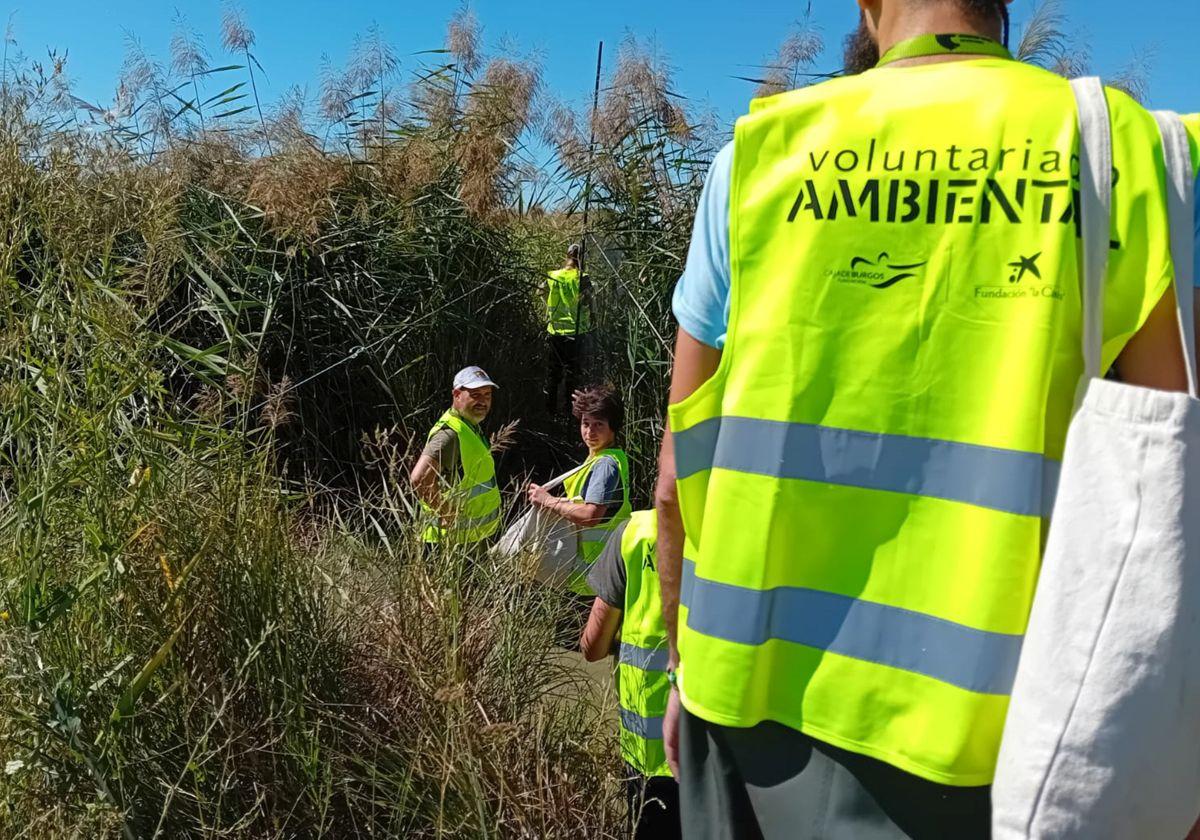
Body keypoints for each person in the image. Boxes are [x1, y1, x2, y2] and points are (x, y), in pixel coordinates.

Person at [653, 1, 1192, 837]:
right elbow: (1178, 493)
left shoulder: (756, 160)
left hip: (747, 713)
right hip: (1011, 735)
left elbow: (674, 477)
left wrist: (682, 666)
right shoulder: (1134, 156)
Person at [580, 509, 680, 840]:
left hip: (649, 748)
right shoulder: (745, 532)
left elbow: (592, 646)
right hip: (727, 749)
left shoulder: (637, 531)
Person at [528, 384, 632, 597]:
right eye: (586, 423)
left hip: (592, 575)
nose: (590, 432)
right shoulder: (604, 457)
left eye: (598, 425)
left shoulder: (605, 464)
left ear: (613, 427)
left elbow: (590, 515)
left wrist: (548, 501)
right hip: (596, 572)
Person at [410, 366, 502, 546]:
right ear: (457, 394)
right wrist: (446, 513)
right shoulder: (450, 434)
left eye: (487, 395)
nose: (483, 401)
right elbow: (419, 478)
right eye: (475, 395)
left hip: (471, 538)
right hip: (450, 542)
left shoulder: (469, 425)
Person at [544, 243, 590, 413]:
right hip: (576, 331)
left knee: (553, 373)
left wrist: (550, 310)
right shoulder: (582, 277)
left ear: (567, 255)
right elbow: (588, 301)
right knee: (572, 374)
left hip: (555, 330)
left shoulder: (554, 275)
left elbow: (539, 291)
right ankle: (569, 412)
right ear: (582, 257)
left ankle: (550, 411)